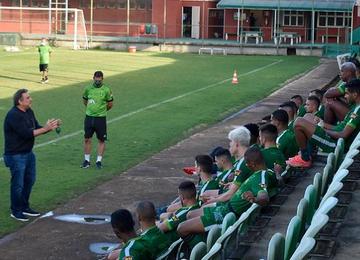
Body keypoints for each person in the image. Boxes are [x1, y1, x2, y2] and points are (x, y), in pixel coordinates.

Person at [177, 146, 274, 237]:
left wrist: (255, 199)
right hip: (226, 207)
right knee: (190, 214)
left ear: (252, 164)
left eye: (247, 162)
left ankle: (200, 245)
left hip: (227, 213)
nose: (246, 165)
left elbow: (264, 196)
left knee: (181, 228)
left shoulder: (261, 176)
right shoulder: (265, 172)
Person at [3, 89, 60, 221]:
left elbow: (36, 128)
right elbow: (26, 134)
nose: (31, 99)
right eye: (28, 98)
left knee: (30, 180)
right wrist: (44, 129)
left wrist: (49, 127)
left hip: (28, 154)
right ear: (20, 101)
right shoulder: (13, 115)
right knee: (18, 184)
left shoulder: (29, 111)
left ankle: (24, 206)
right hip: (16, 156)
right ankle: (16, 210)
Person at [287, 78, 360, 168]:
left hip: (335, 144)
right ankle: (310, 152)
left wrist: (322, 128)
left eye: (347, 94)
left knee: (298, 123)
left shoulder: (357, 111)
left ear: (355, 95)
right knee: (308, 117)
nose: (345, 96)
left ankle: (305, 158)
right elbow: (341, 128)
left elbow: (343, 134)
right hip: (335, 137)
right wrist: (322, 123)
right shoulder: (355, 107)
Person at [82, 71, 113, 169]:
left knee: (101, 140)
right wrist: (91, 109)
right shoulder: (88, 89)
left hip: (101, 118)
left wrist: (102, 110)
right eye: (96, 79)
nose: (98, 81)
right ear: (93, 78)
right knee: (87, 139)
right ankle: (87, 160)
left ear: (102, 79)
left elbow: (110, 104)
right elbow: (85, 100)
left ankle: (98, 161)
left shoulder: (106, 90)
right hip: (89, 117)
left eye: (99, 80)